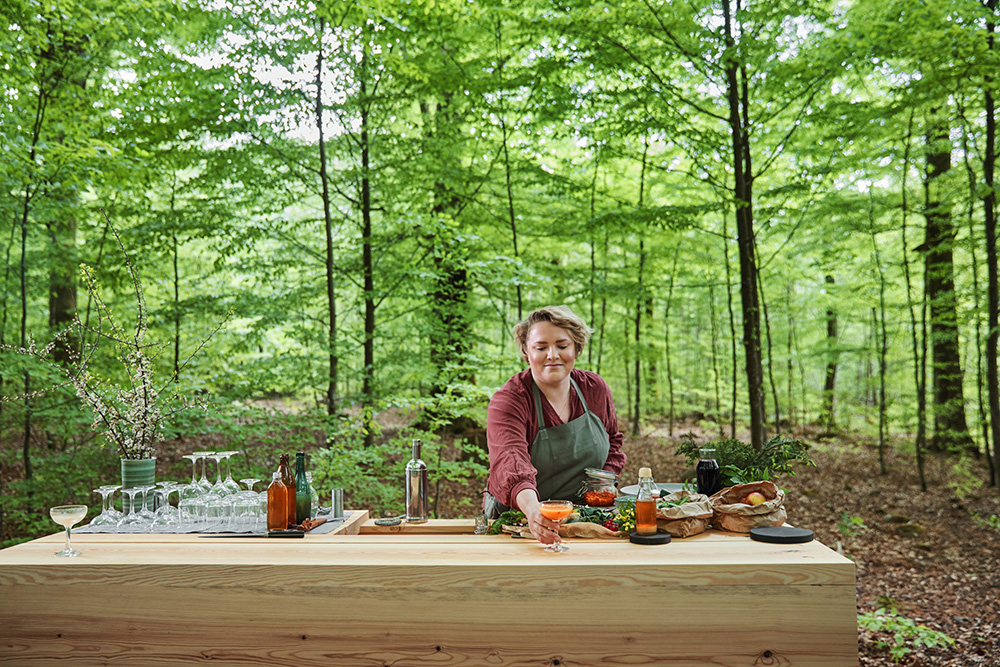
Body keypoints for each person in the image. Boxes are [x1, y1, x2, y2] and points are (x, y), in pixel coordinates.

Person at [483, 305, 626, 545]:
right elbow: (511, 463)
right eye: (541, 347)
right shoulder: (510, 400)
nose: (552, 355)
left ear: (577, 348)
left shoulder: (594, 389)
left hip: (585, 519)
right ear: (526, 352)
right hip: (519, 522)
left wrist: (602, 488)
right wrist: (534, 512)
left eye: (562, 346)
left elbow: (613, 443)